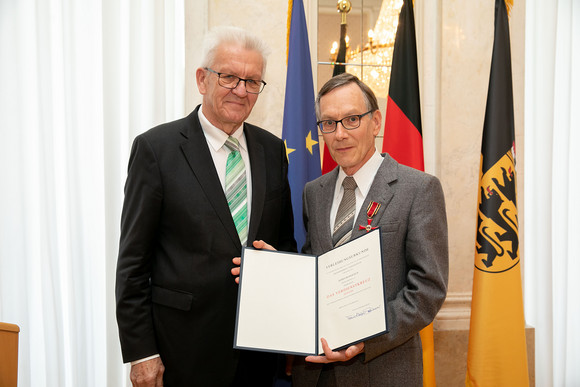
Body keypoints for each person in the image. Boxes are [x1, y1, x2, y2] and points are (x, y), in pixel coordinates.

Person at [115, 26, 296, 386]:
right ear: (202, 79)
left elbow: (286, 243)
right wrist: (141, 353)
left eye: (253, 82)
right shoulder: (157, 149)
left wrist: (273, 268)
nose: (241, 91)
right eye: (229, 77)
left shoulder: (272, 150)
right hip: (182, 352)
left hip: (259, 356)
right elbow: (133, 263)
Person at [293, 73, 449, 386]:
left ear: (375, 122)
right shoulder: (315, 191)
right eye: (328, 123)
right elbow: (317, 270)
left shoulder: (418, 189)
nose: (339, 134)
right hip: (317, 374)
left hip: (384, 370)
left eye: (351, 119)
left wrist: (364, 339)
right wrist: (281, 269)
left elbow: (428, 289)